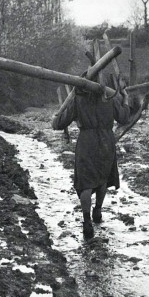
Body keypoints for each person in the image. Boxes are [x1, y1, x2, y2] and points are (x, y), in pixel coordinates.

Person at [52, 75, 130, 239]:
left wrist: (55, 119)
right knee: (102, 177)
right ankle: (98, 211)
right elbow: (124, 117)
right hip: (106, 141)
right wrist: (126, 99)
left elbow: (59, 124)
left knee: (86, 183)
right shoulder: (109, 97)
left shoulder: (78, 100)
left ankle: (87, 220)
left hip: (87, 142)